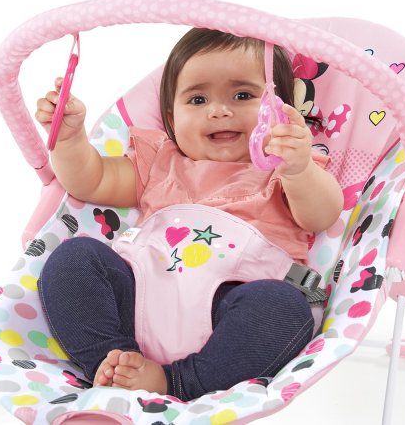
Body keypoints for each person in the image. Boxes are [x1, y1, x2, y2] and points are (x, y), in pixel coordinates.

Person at [36, 28, 343, 401]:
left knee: (284, 309)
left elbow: (322, 216)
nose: (218, 110)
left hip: (231, 309)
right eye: (197, 100)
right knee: (73, 258)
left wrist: (299, 169)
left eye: (243, 95)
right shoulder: (160, 161)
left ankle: (179, 382)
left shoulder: (286, 169)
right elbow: (92, 180)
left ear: (279, 110)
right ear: (172, 116)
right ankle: (113, 361)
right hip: (140, 299)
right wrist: (69, 140)